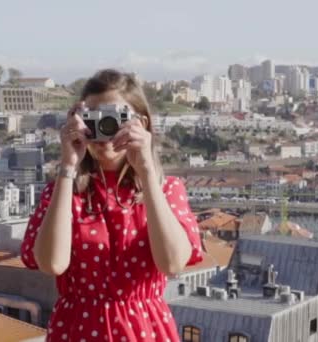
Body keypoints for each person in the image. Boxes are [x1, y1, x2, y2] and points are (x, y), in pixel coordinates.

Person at [20, 69, 203, 341]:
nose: (105, 129)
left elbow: (173, 264)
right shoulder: (63, 191)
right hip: (77, 329)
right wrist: (68, 165)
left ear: (141, 123)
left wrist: (147, 172)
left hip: (143, 330)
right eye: (94, 118)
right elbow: (51, 264)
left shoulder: (166, 190)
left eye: (116, 118)